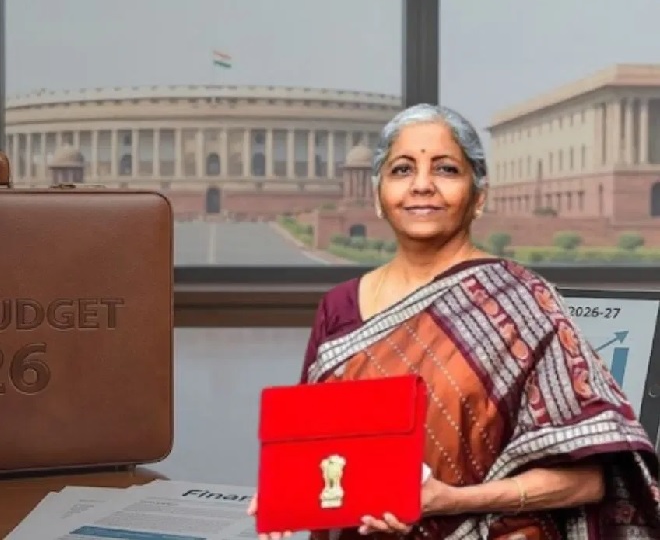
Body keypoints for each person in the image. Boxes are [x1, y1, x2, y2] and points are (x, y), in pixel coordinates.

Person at [248, 103, 660, 539]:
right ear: (378, 195)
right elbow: (313, 457)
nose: (422, 185)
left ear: (479, 196)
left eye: (446, 169)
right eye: (402, 169)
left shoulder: (524, 302)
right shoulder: (339, 306)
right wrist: (284, 492)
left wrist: (451, 501)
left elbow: (591, 481)